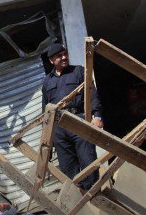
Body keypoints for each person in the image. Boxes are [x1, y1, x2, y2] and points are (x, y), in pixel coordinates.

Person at [42, 42, 103, 190]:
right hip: (59, 128)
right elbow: (45, 110)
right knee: (68, 169)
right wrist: (47, 137)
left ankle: (96, 197)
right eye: (59, 56)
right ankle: (80, 202)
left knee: (89, 163)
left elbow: (92, 94)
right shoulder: (47, 81)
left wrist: (97, 116)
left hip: (78, 121)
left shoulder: (78, 71)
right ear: (51, 60)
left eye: (65, 54)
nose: (64, 57)